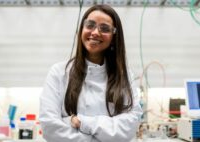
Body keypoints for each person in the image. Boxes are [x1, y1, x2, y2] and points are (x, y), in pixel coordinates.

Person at [39, 4, 142, 142]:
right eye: (90, 25)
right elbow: (50, 128)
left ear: (113, 37)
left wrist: (81, 122)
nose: (95, 32)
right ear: (81, 29)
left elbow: (129, 126)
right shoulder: (59, 73)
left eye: (104, 28)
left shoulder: (124, 75)